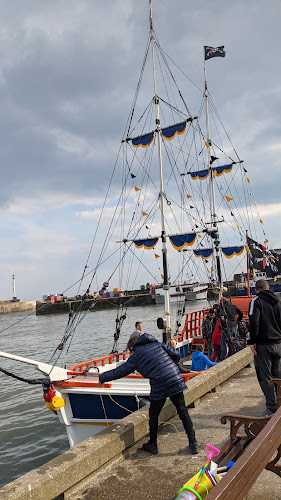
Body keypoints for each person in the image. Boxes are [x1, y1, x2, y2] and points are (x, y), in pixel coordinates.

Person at [99, 333, 198, 455]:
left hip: (160, 383)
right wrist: (173, 365)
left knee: (154, 415)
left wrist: (102, 378)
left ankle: (153, 444)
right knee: (183, 411)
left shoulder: (136, 356)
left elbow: (120, 371)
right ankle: (193, 443)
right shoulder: (157, 344)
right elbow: (175, 353)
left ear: (132, 348)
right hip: (175, 378)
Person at [248, 279, 281, 416]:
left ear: (256, 290)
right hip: (278, 343)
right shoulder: (278, 300)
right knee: (278, 374)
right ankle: (279, 403)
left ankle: (271, 407)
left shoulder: (256, 301)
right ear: (268, 287)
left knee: (265, 376)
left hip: (264, 345)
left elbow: (253, 322)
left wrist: (252, 341)